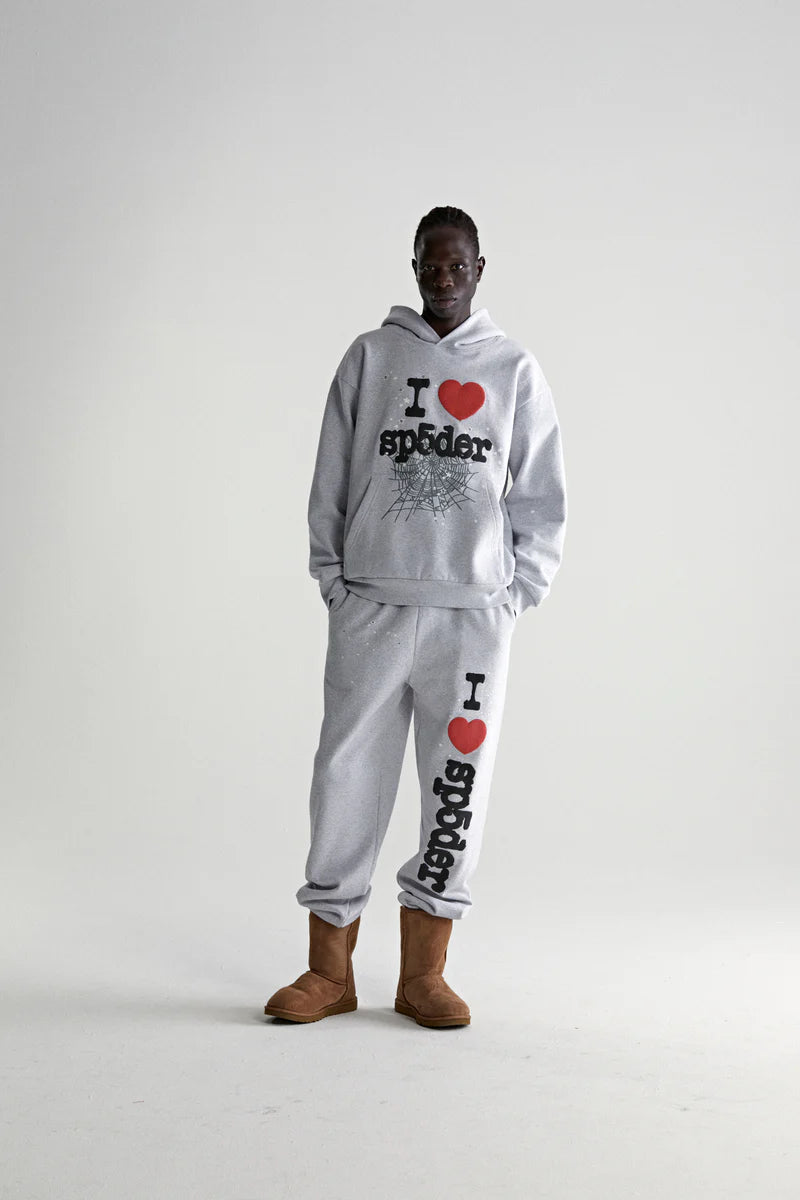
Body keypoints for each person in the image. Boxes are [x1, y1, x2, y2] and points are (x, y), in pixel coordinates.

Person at [264, 205, 567, 1028]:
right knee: (344, 777)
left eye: (457, 264)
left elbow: (541, 493)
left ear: (479, 268)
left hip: (471, 620)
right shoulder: (371, 357)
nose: (444, 277)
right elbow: (331, 473)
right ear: (414, 267)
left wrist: (515, 592)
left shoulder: (513, 369)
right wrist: (334, 578)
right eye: (431, 264)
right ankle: (329, 971)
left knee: (457, 783)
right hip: (372, 607)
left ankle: (423, 974)